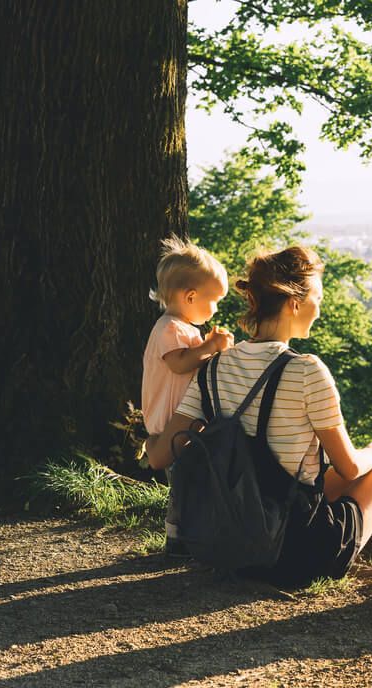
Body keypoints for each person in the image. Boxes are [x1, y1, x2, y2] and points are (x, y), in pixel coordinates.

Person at [146, 245, 372, 586]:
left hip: (230, 545)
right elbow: (349, 467)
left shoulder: (214, 366)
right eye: (318, 296)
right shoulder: (307, 370)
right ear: (294, 302)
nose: (320, 307)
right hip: (296, 553)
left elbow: (157, 457)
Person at [141, 235, 234, 554]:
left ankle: (192, 530)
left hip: (183, 422)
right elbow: (180, 364)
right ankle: (176, 537)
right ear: (191, 296)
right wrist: (209, 347)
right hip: (170, 423)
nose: (217, 307)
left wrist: (211, 349)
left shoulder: (185, 330)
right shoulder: (168, 328)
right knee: (181, 481)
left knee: (191, 477)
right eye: (215, 300)